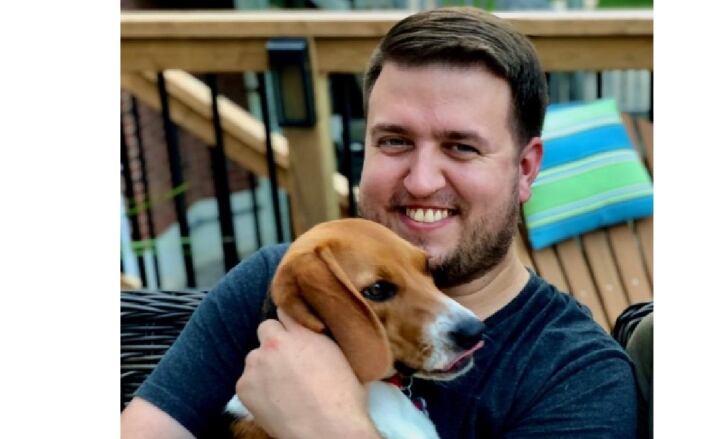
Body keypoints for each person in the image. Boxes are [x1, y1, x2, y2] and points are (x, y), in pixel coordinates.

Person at [121, 7, 638, 438]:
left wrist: (331, 427)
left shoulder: (576, 376)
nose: (420, 181)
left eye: (460, 147)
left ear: (525, 170)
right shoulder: (283, 278)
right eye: (394, 141)